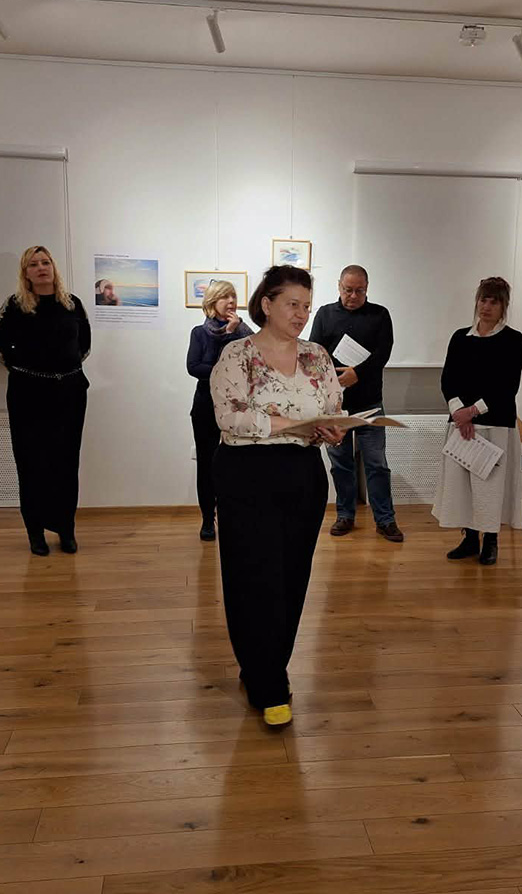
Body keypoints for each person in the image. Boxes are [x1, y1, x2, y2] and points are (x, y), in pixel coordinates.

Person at [209, 265, 346, 728]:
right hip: (246, 474)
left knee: (291, 577)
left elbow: (332, 407)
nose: (302, 314)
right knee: (254, 576)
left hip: (303, 473)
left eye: (307, 305)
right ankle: (267, 682)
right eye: (292, 304)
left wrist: (332, 428)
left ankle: (268, 665)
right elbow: (230, 417)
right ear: (266, 304)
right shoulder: (237, 354)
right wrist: (292, 424)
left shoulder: (317, 356)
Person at [0, 246, 91, 556]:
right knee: (32, 462)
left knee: (66, 462)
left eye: (45, 262)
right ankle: (35, 532)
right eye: (33, 264)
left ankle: (66, 529)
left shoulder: (72, 304)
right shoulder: (14, 306)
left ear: (53, 267)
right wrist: (30, 374)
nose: (41, 268)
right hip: (28, 395)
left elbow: (84, 345)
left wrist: (62, 372)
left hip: (69, 394)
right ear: (26, 273)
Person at [431, 277, 522, 566]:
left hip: (495, 424)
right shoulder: (461, 337)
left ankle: (491, 540)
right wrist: (459, 411)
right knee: (464, 487)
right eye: (484, 300)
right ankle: (470, 538)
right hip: (461, 425)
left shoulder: (512, 339)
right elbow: (448, 379)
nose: (487, 306)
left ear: (503, 306)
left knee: (490, 488)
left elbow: (507, 385)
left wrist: (472, 411)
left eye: (494, 302)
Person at [308, 265, 404, 542]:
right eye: (348, 290)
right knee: (341, 464)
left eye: (359, 291)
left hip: (370, 403)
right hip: (335, 405)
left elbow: (383, 353)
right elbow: (315, 353)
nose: (352, 296)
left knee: (377, 464)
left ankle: (385, 519)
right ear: (339, 286)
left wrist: (357, 374)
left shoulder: (379, 314)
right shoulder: (325, 314)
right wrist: (333, 378)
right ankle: (345, 515)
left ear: (367, 288)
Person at [186, 280, 253, 541]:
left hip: (238, 406)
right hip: (206, 406)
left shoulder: (245, 333)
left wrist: (234, 333)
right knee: (207, 464)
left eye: (234, 296)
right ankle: (207, 519)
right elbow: (195, 367)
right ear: (212, 302)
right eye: (225, 297)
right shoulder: (200, 333)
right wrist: (226, 335)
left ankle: (233, 516)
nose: (232, 301)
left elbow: (252, 365)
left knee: (237, 463)